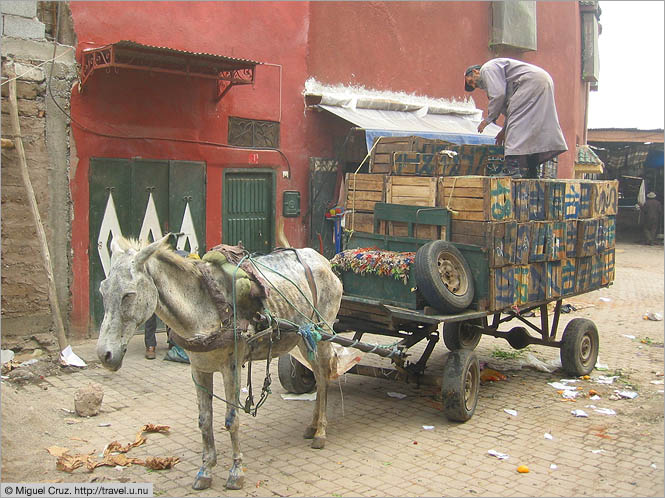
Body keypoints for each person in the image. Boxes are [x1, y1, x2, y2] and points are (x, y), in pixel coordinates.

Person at [464, 58, 568, 178]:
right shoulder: (498, 76)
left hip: (530, 82)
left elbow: (498, 95)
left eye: (471, 81)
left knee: (517, 125)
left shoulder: (487, 69)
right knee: (533, 124)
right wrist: (503, 131)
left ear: (476, 71)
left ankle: (511, 168)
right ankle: (532, 169)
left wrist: (488, 119)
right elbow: (511, 110)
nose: (474, 85)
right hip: (543, 79)